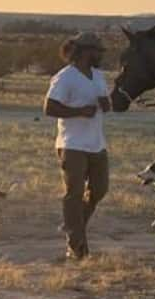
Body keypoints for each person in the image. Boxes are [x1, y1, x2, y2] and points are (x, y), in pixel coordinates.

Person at [44, 32, 111, 260]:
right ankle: (77, 245)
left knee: (100, 189)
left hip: (97, 144)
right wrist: (79, 111)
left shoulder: (99, 76)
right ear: (84, 52)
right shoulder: (65, 77)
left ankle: (73, 225)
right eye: (97, 51)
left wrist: (106, 104)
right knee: (74, 193)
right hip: (72, 144)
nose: (100, 55)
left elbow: (106, 104)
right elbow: (49, 108)